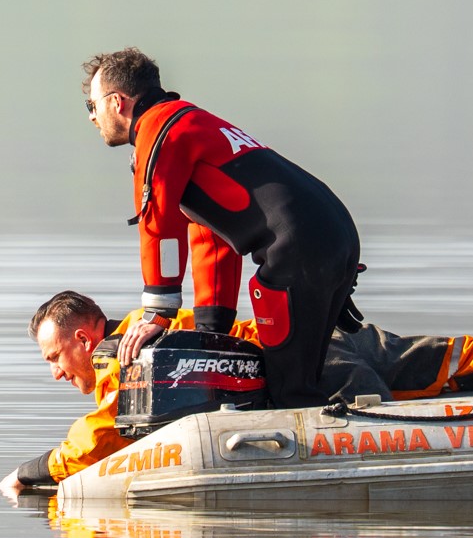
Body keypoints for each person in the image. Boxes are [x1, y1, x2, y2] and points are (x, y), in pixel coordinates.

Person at [0, 289, 473, 498]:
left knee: (438, 376)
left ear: (84, 339)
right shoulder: (147, 323)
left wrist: (29, 471)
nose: (56, 373)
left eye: (54, 358)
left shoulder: (122, 353)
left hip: (317, 371)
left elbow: (97, 439)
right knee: (464, 358)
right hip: (322, 334)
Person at [81, 47, 362, 407]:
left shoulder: (158, 130)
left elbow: (159, 226)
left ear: (117, 102)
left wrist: (158, 313)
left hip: (298, 247)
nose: (92, 118)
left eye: (92, 106)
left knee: (292, 393)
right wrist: (211, 328)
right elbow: (211, 236)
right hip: (330, 232)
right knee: (300, 377)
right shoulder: (191, 121)